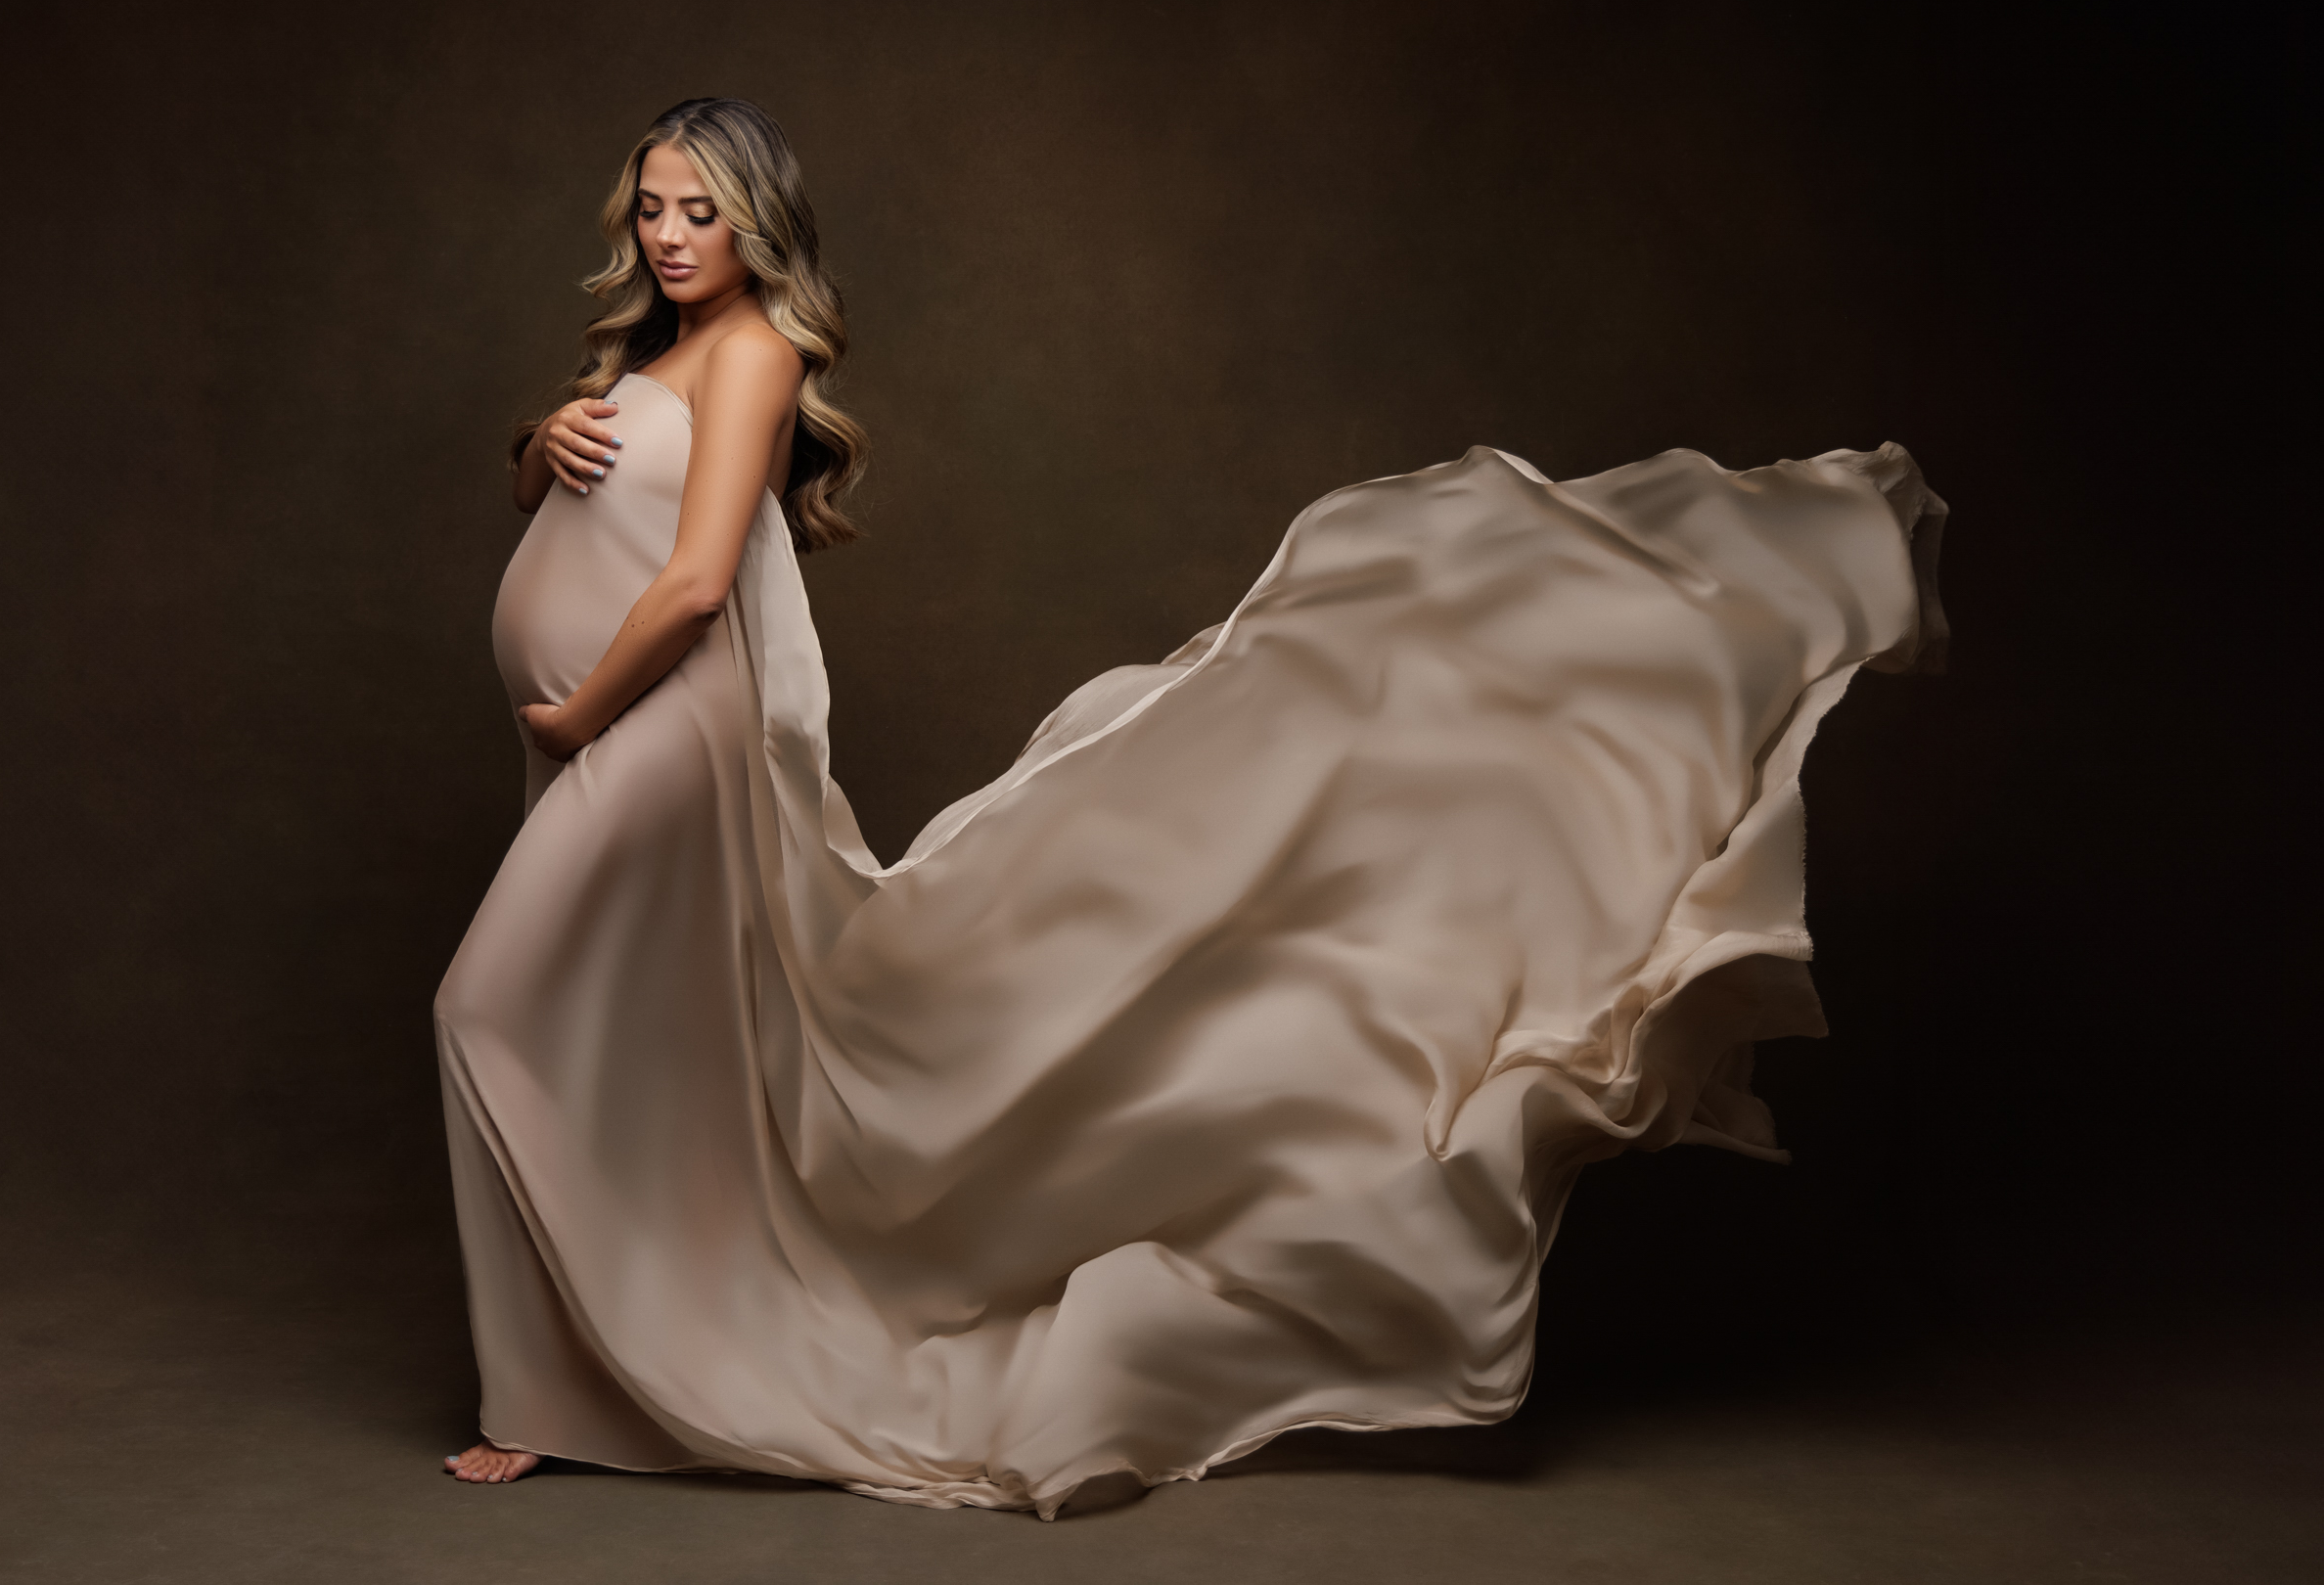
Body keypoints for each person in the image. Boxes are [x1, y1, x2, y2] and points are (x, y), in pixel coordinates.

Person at [435, 96, 1947, 1516]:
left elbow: (698, 583)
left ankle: (555, 1390)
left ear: (755, 226)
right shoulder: (643, 356)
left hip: (650, 732)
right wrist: (535, 443)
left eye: (700, 210)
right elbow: (575, 504)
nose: (671, 236)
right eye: (651, 211)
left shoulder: (753, 348)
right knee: (610, 1036)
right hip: (601, 738)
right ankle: (571, 1381)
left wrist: (579, 707)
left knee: (486, 1009)